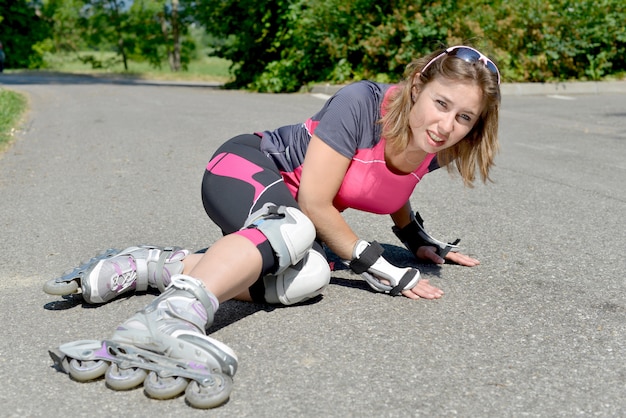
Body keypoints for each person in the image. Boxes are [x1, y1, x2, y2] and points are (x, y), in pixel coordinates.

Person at [47, 45, 501, 408]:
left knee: (310, 276)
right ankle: (169, 317)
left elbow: (396, 185)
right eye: (441, 104)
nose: (446, 126)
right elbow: (316, 203)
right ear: (417, 85)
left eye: (464, 117)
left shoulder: (440, 146)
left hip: (293, 213)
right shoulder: (363, 103)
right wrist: (384, 269)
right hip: (244, 166)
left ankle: (158, 266)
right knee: (298, 226)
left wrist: (417, 240)